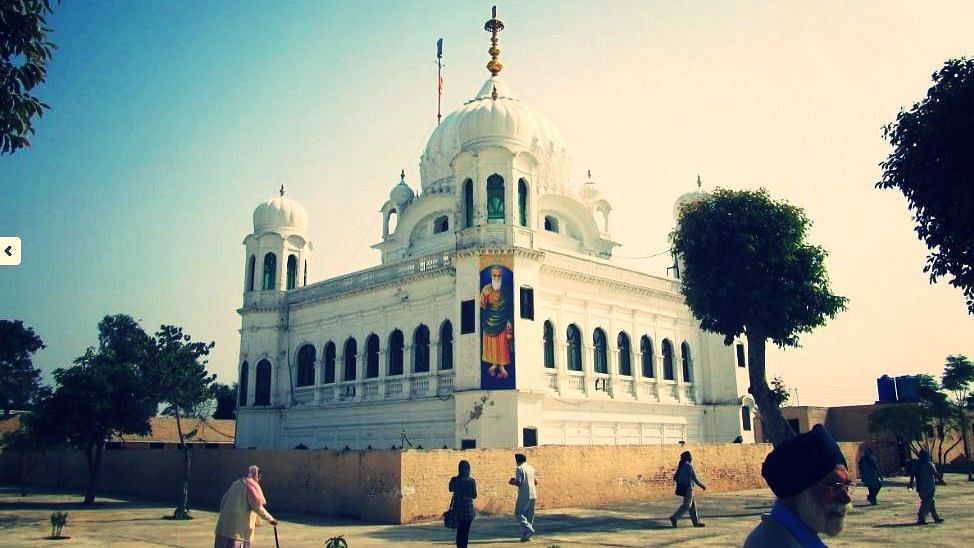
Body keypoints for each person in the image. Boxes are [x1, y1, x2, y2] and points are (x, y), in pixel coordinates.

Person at [744, 425, 852, 547]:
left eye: (846, 485)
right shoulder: (772, 543)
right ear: (797, 489)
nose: (846, 498)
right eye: (834, 486)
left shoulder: (788, 535)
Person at [214, 465, 277, 548]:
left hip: (224, 525)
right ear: (258, 475)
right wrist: (271, 519)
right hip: (238, 528)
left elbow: (223, 501)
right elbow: (257, 507)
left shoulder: (236, 483)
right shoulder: (252, 486)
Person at [481, 265, 514, 379]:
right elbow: (481, 306)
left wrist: (509, 322)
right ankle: (494, 364)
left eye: (499, 275)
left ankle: (502, 367)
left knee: (502, 345)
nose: (497, 278)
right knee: (493, 345)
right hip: (489, 323)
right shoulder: (486, 290)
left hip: (503, 322)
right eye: (494, 275)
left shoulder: (507, 291)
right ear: (491, 276)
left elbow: (510, 308)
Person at [669, 450, 707, 528]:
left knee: (693, 506)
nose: (691, 457)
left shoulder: (681, 465)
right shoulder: (688, 465)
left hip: (683, 486)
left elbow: (675, 478)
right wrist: (701, 485)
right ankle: (674, 517)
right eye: (690, 456)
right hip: (688, 487)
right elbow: (694, 477)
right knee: (687, 505)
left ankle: (696, 523)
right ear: (687, 457)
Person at [908, 449, 944, 524]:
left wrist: (911, 484)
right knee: (926, 503)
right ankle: (921, 518)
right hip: (929, 486)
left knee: (931, 502)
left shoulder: (917, 465)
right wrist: (941, 480)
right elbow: (935, 474)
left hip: (920, 487)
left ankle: (935, 517)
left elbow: (912, 474)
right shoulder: (929, 464)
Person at [448, 460, 478, 548]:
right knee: (465, 533)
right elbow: (474, 495)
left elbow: (450, 489)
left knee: (459, 532)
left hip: (457, 510)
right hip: (468, 511)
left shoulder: (454, 480)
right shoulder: (471, 481)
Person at [508, 453, 538, 542]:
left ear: (518, 461)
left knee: (518, 513)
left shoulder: (520, 468)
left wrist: (512, 481)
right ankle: (526, 536)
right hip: (533, 493)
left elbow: (519, 482)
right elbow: (535, 482)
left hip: (525, 494)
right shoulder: (531, 468)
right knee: (529, 515)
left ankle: (529, 530)